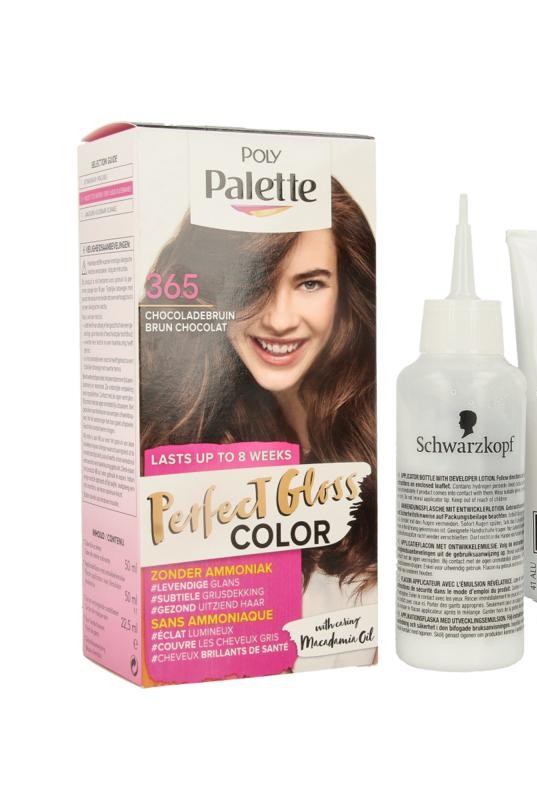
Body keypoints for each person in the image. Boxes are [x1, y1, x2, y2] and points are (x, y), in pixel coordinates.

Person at [140, 178, 376, 668]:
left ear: (344, 289)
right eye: (252, 283)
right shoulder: (181, 427)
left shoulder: (386, 430)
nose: (279, 319)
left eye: (310, 283)